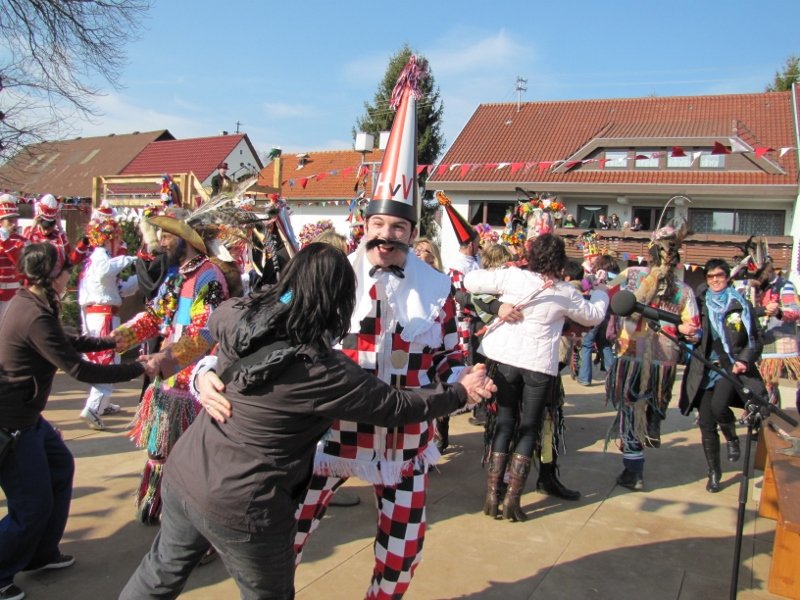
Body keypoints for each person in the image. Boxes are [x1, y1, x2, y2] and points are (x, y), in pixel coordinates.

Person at [119, 243, 495, 600]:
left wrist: (206, 368)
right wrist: (460, 392)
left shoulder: (237, 314)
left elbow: (214, 326)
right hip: (242, 501)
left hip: (186, 474)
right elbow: (396, 406)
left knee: (158, 575)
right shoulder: (321, 370)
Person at [0, 243, 148, 600]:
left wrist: (108, 341)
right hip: (12, 422)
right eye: (66, 269)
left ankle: (40, 553)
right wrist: (139, 367)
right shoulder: (32, 313)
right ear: (52, 275)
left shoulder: (34, 303)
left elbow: (68, 340)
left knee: (60, 467)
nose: (70, 275)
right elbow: (77, 368)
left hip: (30, 417)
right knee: (32, 505)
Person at [465, 233, 609, 522]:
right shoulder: (564, 292)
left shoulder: (511, 276)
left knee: (505, 424)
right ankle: (513, 500)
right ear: (559, 261)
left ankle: (492, 497)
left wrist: (497, 306)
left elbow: (470, 281)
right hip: (537, 365)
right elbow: (593, 316)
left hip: (504, 358)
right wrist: (602, 291)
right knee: (529, 428)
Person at [112, 212, 229, 524]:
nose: (161, 241)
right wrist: (115, 340)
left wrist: (166, 359)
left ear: (187, 240)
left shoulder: (209, 276)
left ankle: (191, 523)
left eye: (168, 235)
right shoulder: (178, 274)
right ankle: (156, 503)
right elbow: (153, 317)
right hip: (169, 377)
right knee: (160, 448)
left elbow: (205, 333)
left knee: (191, 458)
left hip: (192, 382)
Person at [606, 220, 700, 491]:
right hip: (662, 359)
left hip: (632, 357)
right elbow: (694, 328)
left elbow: (604, 295)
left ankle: (633, 469)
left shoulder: (632, 275)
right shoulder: (684, 290)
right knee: (644, 405)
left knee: (629, 408)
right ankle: (653, 422)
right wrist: (683, 330)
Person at [678, 259, 763, 492]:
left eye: (720, 276)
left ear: (727, 277)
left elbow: (755, 338)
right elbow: (685, 327)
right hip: (704, 368)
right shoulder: (699, 303)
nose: (715, 280)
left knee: (718, 407)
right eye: (711, 276)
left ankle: (732, 437)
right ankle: (714, 472)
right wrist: (683, 331)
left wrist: (745, 359)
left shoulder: (739, 303)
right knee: (706, 423)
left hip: (729, 367)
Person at [77, 214, 138, 430]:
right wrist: (130, 259)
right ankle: (93, 408)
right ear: (107, 238)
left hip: (101, 315)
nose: (119, 245)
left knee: (105, 360)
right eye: (117, 239)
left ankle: (102, 403)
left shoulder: (98, 259)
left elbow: (120, 289)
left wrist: (141, 275)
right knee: (107, 361)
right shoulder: (101, 256)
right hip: (102, 317)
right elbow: (106, 271)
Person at [577, 254, 618, 386]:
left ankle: (584, 377)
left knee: (587, 345)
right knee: (604, 345)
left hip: (594, 314)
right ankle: (613, 377)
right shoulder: (617, 280)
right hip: (609, 317)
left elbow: (581, 286)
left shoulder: (593, 277)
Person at [22, 194, 72, 273]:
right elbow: (23, 248)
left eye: (49, 228)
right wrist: (32, 228)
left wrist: (60, 228)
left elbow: (67, 251)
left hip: (52, 277)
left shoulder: (58, 235)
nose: (46, 231)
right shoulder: (30, 231)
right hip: (34, 275)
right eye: (44, 227)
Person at [0, 194, 28, 320]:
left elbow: (20, 262)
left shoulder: (21, 240)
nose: (13, 224)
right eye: (9, 221)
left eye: (15, 220)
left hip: (12, 294)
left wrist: (6, 242)